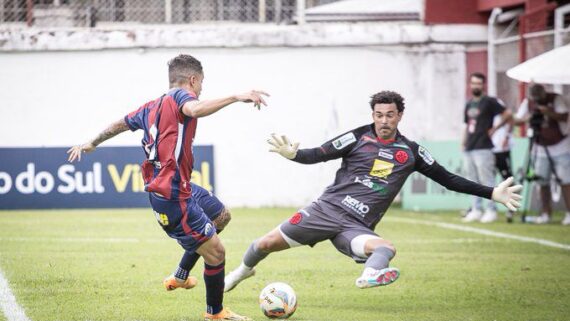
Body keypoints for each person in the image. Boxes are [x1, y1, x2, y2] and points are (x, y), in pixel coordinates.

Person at [224, 91, 523, 292]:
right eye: (379, 115)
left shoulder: (411, 152)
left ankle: (370, 274)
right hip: (324, 210)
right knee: (264, 244)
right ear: (373, 114)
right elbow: (319, 153)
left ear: (400, 116)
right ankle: (241, 272)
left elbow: (448, 179)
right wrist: (294, 155)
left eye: (390, 115)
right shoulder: (357, 137)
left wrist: (491, 192)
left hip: (355, 227)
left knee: (386, 248)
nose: (383, 121)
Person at [67, 54, 269, 321]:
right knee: (216, 252)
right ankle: (215, 313)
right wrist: (235, 96)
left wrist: (92, 142)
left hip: (180, 187)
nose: (201, 90)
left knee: (221, 216)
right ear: (193, 80)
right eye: (201, 84)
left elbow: (119, 124)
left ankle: (180, 275)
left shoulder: (151, 106)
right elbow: (194, 110)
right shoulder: (181, 99)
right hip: (172, 196)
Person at [514, 83, 570, 225]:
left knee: (565, 181)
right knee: (541, 180)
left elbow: (565, 116)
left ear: (544, 93)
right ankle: (545, 213)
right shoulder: (528, 103)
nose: (537, 101)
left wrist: (547, 112)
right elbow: (517, 121)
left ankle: (569, 213)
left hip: (560, 146)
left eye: (539, 97)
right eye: (535, 98)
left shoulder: (555, 99)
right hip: (539, 147)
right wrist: (528, 118)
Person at [462, 72, 513, 223]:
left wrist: (495, 128)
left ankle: (491, 210)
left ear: (483, 85)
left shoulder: (489, 101)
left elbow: (508, 113)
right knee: (472, 180)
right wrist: (463, 142)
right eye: (473, 83)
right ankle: (476, 209)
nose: (475, 86)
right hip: (470, 146)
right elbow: (466, 125)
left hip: (484, 146)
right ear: (470, 85)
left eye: (478, 83)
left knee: (487, 180)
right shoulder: (469, 103)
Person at [491, 114, 516, 222]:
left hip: (502, 149)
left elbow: (511, 119)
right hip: (489, 149)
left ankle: (511, 208)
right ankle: (490, 209)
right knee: (487, 179)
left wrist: (507, 136)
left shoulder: (498, 105)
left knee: (507, 179)